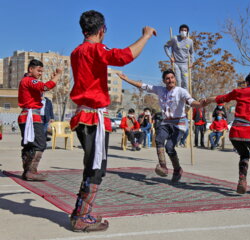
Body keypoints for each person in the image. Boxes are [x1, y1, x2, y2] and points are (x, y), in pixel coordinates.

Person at [68, 10, 156, 232]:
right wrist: (145, 36)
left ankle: (81, 212)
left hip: (85, 116)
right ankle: (81, 216)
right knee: (96, 168)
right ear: (102, 30)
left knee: (93, 166)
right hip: (93, 118)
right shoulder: (95, 48)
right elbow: (124, 57)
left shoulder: (76, 51)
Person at [118, 69, 203, 182]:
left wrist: (202, 103)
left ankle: (177, 169)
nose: (170, 80)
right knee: (159, 139)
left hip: (179, 124)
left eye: (172, 78)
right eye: (167, 78)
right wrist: (127, 79)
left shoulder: (181, 91)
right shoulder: (160, 90)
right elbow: (143, 86)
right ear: (164, 81)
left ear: (175, 79)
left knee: (169, 148)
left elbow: (192, 102)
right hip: (166, 122)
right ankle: (163, 166)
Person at [18, 59, 62, 181]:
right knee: (40, 143)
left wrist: (53, 80)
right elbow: (45, 87)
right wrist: (58, 75)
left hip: (27, 116)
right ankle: (31, 171)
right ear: (30, 69)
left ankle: (27, 171)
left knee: (29, 144)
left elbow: (43, 88)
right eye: (38, 70)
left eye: (41, 71)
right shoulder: (29, 80)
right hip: (31, 117)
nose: (40, 73)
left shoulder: (26, 81)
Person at [164, 24, 194, 90]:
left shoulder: (190, 41)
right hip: (176, 63)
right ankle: (178, 97)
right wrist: (170, 57)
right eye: (182, 30)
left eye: (185, 30)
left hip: (185, 64)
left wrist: (191, 62)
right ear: (179, 31)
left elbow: (191, 53)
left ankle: (185, 98)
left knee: (186, 82)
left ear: (187, 32)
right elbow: (166, 46)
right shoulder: (174, 39)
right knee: (178, 81)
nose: (183, 32)